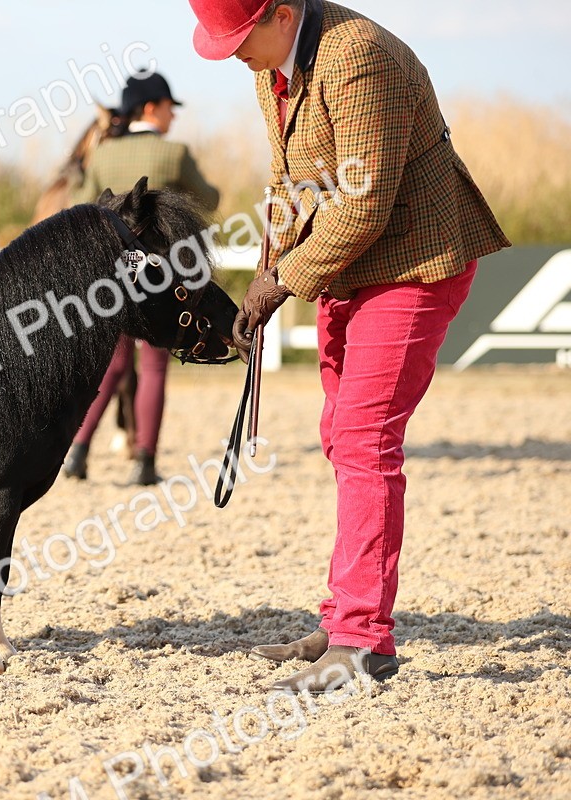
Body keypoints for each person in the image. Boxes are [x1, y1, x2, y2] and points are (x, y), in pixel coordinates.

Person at [187, 0, 510, 691]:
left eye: (239, 37)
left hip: (413, 261)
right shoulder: (271, 65)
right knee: (341, 434)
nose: (233, 53)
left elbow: (363, 199)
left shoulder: (356, 55)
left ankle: (363, 641)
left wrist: (284, 282)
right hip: (351, 264)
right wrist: (264, 274)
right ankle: (342, 621)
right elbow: (286, 185)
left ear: (279, 11)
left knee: (365, 439)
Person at [63, 70, 220, 486]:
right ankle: (144, 461)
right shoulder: (175, 153)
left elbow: (82, 210)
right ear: (151, 108)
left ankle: (77, 452)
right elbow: (210, 199)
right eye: (170, 108)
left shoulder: (102, 156)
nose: (173, 117)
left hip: (112, 277)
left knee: (111, 365)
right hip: (161, 276)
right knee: (154, 366)